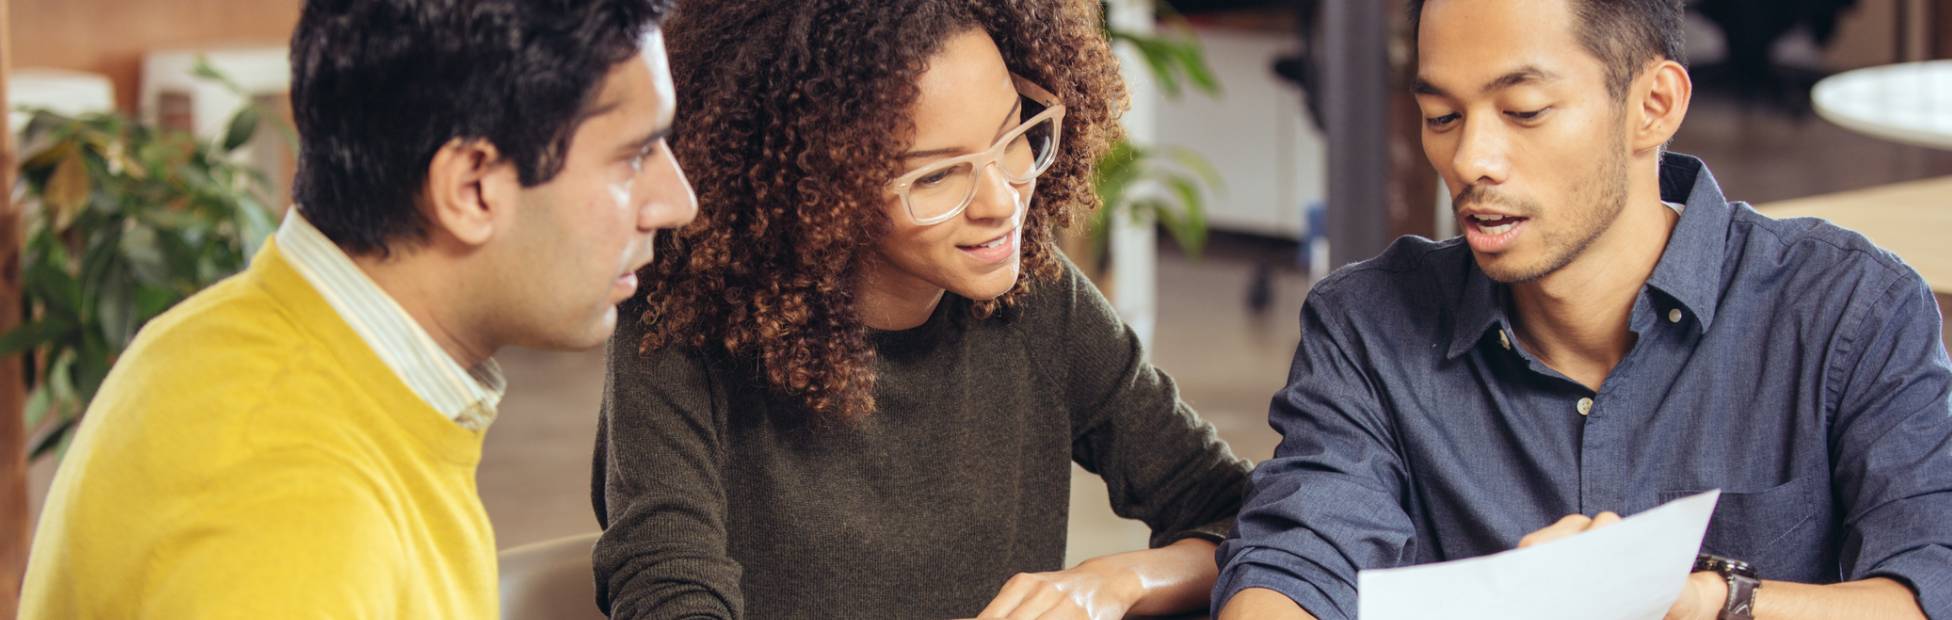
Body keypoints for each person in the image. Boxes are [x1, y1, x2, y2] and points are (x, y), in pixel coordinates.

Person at [1214, 0, 1950, 618]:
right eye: (1442, 116)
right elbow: (1292, 566)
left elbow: (1930, 587)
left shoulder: (1850, 311)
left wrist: (1703, 601)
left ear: (1653, 106)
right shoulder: (1367, 324)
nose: (1472, 161)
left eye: (1523, 111)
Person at [20, 0, 696, 616]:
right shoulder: (288, 509)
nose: (678, 201)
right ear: (472, 189)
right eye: (634, 156)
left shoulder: (245, 343)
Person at [589, 1, 1251, 618]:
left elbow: (1243, 518)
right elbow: (669, 593)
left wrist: (1115, 584)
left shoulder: (1041, 301)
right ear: (820, 189)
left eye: (1013, 135)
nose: (1001, 201)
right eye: (936, 175)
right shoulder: (684, 324)